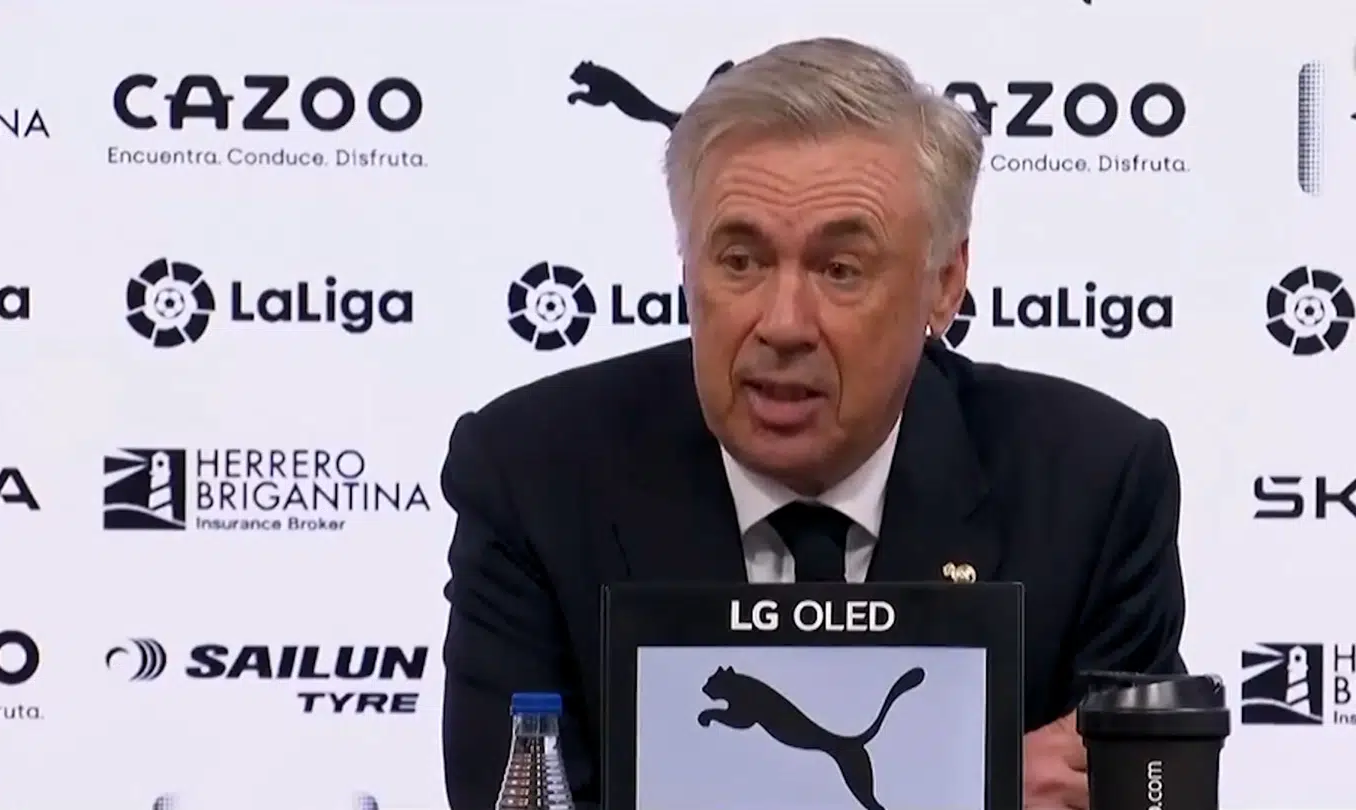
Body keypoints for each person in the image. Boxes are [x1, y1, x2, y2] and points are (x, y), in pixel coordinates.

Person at [440, 37, 1185, 810]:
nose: (784, 324)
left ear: (944, 283)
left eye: (840, 270)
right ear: (685, 265)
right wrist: (961, 791)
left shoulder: (1091, 485)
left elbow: (1144, 795)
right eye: (740, 262)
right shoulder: (535, 474)